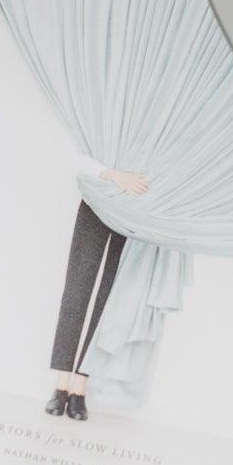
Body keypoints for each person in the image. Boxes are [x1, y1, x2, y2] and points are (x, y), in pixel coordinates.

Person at [43, 158, 149, 421]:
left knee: (110, 296)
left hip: (135, 208)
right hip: (98, 197)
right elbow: (73, 156)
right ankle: (61, 383)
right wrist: (115, 175)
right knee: (77, 290)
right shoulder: (107, 121)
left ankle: (80, 386)